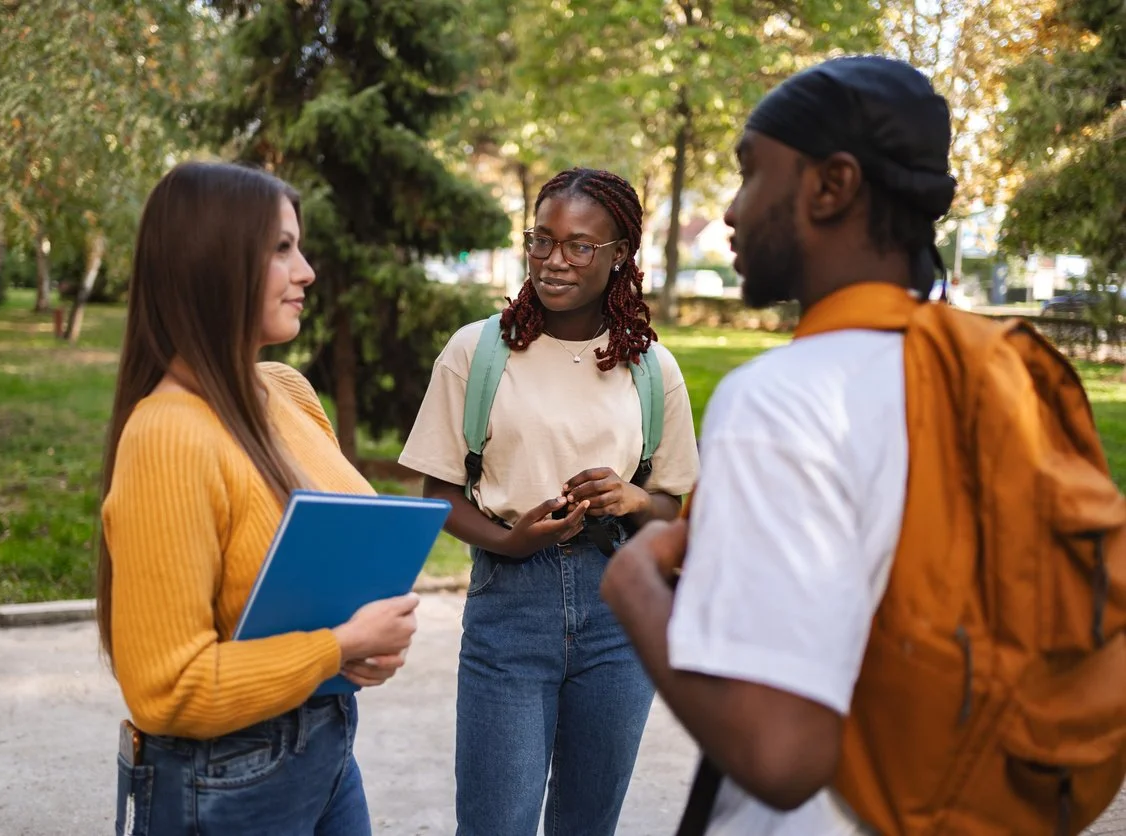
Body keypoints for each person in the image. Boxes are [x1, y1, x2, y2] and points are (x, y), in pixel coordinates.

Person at [600, 56, 957, 832]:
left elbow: (780, 756)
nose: (730, 211)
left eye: (750, 173)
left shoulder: (783, 399)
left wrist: (633, 587)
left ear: (832, 185)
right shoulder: (988, 379)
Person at [96, 161, 420, 836]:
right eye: (280, 249)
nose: (306, 271)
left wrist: (359, 648)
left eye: (299, 247)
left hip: (326, 742)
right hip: (227, 782)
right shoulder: (167, 436)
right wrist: (336, 647)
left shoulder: (287, 391)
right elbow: (166, 688)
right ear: (213, 265)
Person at [398, 166, 700, 835]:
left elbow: (671, 505)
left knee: (587, 824)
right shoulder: (478, 352)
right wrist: (511, 540)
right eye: (542, 240)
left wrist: (629, 498)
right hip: (510, 605)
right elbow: (439, 490)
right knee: (495, 823)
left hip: (618, 608)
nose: (554, 260)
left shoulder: (651, 366)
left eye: (579, 246)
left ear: (619, 255)